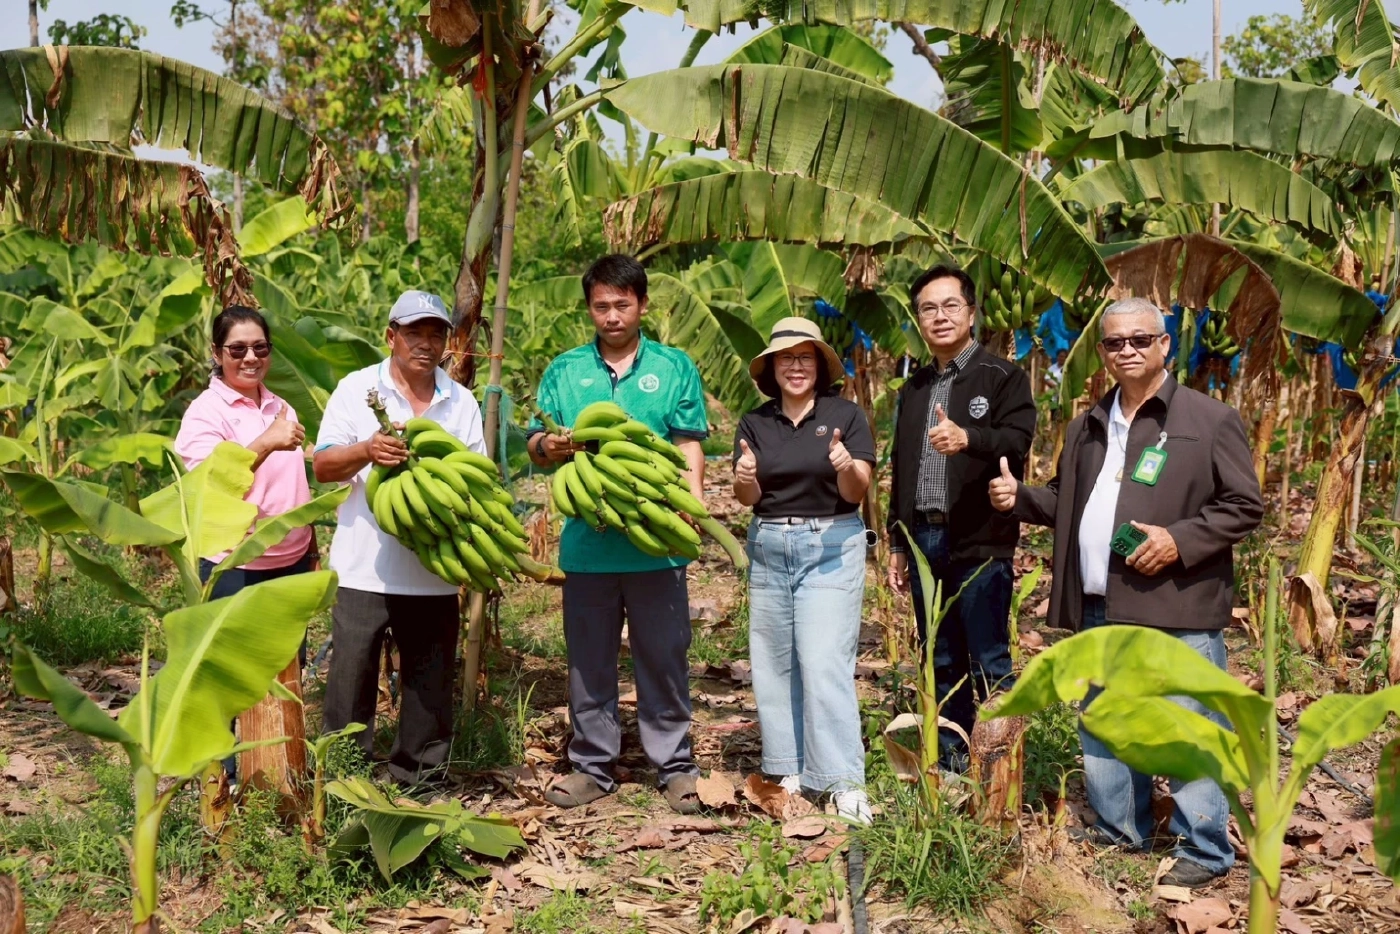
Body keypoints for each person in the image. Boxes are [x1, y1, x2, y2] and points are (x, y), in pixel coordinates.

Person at [989, 297, 1263, 888]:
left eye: (1141, 339)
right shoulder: (1088, 424)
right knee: (1106, 721)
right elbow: (1072, 501)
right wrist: (1023, 498)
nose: (1127, 351)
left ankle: (1206, 848)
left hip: (1177, 603)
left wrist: (1180, 539)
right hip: (1099, 601)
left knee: (1187, 724)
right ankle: (1121, 828)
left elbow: (1244, 505)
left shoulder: (1208, 419)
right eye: (1114, 343)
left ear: (1165, 344)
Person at [526, 254, 708, 814]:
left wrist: (692, 502)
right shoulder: (564, 370)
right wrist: (549, 447)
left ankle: (675, 765)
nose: (611, 316)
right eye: (601, 306)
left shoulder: (674, 367)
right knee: (589, 660)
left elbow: (686, 441)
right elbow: (536, 442)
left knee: (664, 656)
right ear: (589, 308)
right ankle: (592, 766)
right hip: (588, 542)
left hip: (655, 540)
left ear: (642, 305)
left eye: (621, 305)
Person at [313, 290, 486, 785]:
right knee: (350, 679)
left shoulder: (461, 402)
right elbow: (324, 464)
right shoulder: (355, 388)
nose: (425, 344)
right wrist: (368, 449)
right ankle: (343, 780)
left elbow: (476, 479)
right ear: (391, 336)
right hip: (363, 566)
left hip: (432, 569)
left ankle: (420, 781)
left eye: (436, 334)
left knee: (429, 685)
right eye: (414, 333)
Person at [885, 265, 1035, 770]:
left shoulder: (1002, 378)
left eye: (951, 305)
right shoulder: (915, 388)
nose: (940, 316)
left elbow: (1017, 442)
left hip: (979, 536)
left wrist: (968, 438)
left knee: (988, 658)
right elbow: (901, 468)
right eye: (928, 308)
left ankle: (999, 772)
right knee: (939, 656)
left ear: (971, 313)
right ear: (919, 319)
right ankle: (951, 765)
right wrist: (897, 541)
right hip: (924, 537)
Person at [732, 317, 876, 824]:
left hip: (830, 543)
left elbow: (857, 491)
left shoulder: (845, 415)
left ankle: (840, 780)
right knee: (773, 661)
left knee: (822, 660)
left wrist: (844, 463)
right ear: (771, 368)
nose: (795, 366)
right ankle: (788, 768)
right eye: (785, 358)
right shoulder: (755, 422)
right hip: (770, 542)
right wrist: (745, 477)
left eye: (805, 357)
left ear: (819, 366)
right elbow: (747, 496)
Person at [176, 305, 316, 600]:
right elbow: (208, 484)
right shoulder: (205, 413)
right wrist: (266, 442)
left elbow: (294, 486)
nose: (251, 358)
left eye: (260, 348)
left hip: (295, 560)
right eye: (237, 349)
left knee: (290, 648)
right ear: (217, 353)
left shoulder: (281, 406)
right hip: (235, 564)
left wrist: (312, 551)